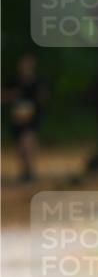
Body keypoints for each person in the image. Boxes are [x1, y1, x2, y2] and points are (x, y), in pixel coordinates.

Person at [2, 53, 49, 183]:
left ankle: (30, 172)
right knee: (20, 146)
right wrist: (10, 95)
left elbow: (43, 98)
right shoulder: (14, 81)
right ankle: (25, 171)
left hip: (32, 117)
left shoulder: (37, 81)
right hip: (17, 118)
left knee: (27, 142)